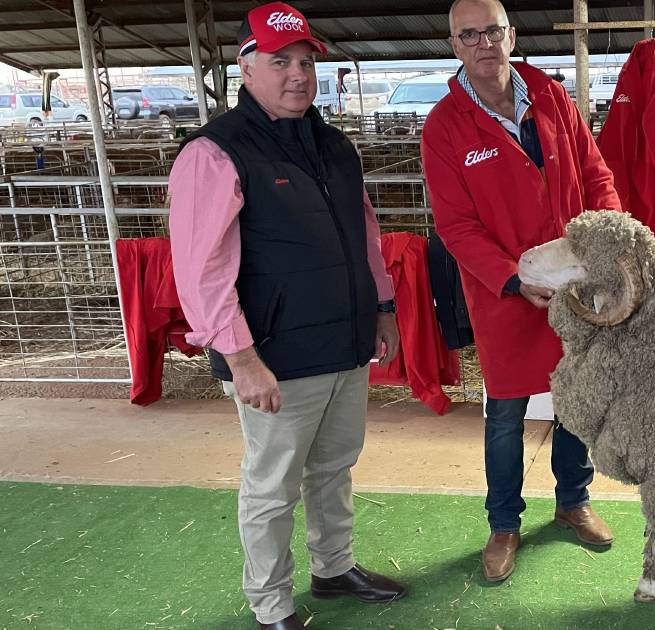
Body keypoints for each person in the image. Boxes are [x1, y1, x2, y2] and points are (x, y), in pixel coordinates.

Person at [168, 3, 407, 628]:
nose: (298, 74)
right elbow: (202, 270)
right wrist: (241, 358)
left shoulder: (333, 146)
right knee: (273, 485)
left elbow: (364, 233)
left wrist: (382, 307)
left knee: (334, 466)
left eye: (305, 62)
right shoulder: (215, 152)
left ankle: (333, 568)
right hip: (272, 354)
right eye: (281, 62)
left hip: (345, 340)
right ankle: (271, 604)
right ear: (246, 70)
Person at [420, 0, 622, 583]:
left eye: (493, 31)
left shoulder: (552, 97)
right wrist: (513, 277)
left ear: (511, 34)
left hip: (576, 284)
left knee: (576, 401)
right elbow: (456, 226)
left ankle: (573, 501)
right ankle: (504, 522)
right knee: (506, 411)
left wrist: (607, 243)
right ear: (454, 45)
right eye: (469, 35)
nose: (483, 43)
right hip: (505, 292)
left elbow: (595, 175)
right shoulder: (445, 126)